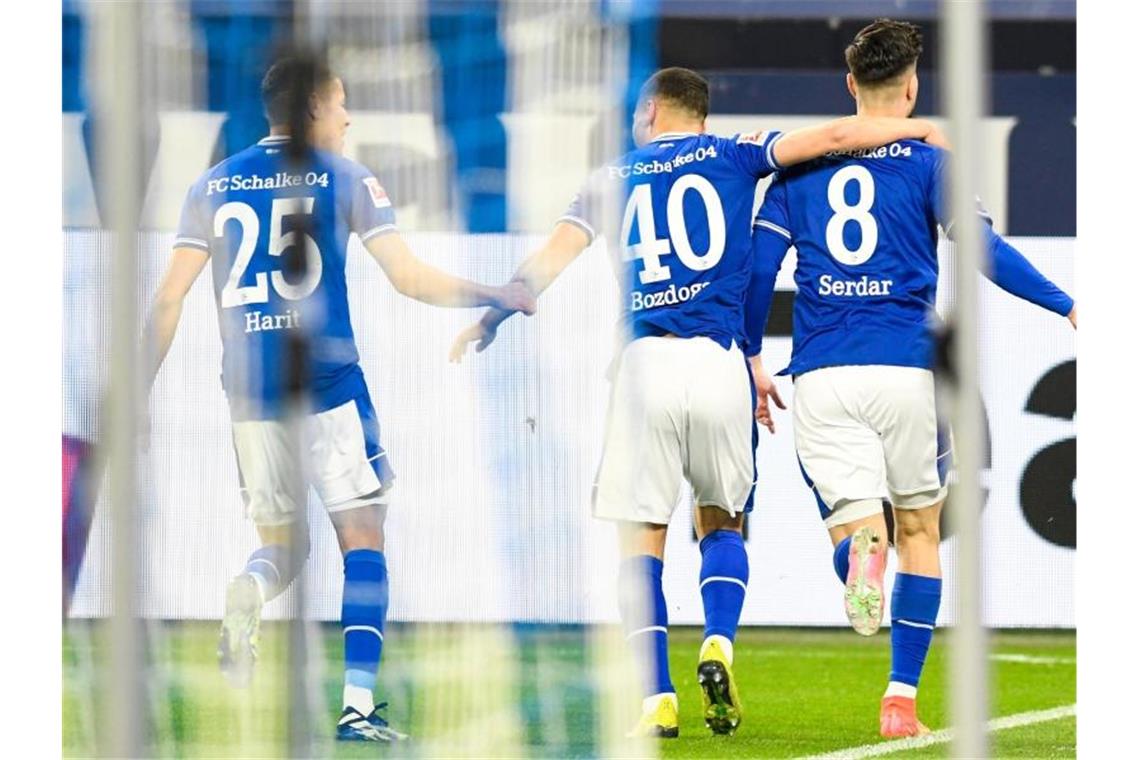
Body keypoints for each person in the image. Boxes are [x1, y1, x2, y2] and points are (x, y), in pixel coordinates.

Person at [450, 66, 947, 738]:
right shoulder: (736, 151)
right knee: (723, 523)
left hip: (644, 364)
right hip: (718, 365)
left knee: (641, 539)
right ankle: (718, 643)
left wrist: (494, 314)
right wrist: (914, 126)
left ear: (652, 110)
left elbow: (547, 264)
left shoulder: (610, 176)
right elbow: (833, 135)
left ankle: (656, 695)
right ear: (701, 116)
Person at [142, 55, 535, 742]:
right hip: (328, 386)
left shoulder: (210, 184)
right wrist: (494, 293)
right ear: (316, 107)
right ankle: (356, 706)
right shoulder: (345, 177)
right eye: (343, 104)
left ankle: (251, 592)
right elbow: (407, 277)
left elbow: (168, 298)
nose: (350, 119)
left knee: (282, 548)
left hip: (249, 394)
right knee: (363, 540)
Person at [745, 19, 1076, 739]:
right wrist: (1070, 304)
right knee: (920, 529)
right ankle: (900, 701)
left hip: (826, 374)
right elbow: (984, 250)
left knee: (860, 533)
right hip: (907, 372)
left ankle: (858, 561)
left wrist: (749, 355)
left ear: (849, 84)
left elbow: (759, 270)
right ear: (913, 88)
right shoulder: (932, 163)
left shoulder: (797, 169)